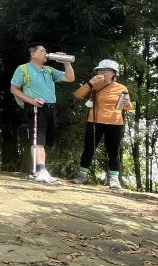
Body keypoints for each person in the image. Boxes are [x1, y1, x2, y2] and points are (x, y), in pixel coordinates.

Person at [9, 44, 74, 183]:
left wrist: (66, 63)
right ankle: (40, 170)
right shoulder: (23, 69)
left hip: (50, 108)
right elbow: (14, 89)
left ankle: (42, 170)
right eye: (43, 51)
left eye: (46, 51)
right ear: (33, 54)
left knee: (43, 141)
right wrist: (31, 100)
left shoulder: (49, 70)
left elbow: (70, 78)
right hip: (35, 107)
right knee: (37, 139)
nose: (46, 53)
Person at [73, 59, 133, 189]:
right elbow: (78, 95)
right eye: (100, 70)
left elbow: (128, 106)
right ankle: (81, 176)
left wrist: (127, 104)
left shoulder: (121, 88)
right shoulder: (94, 85)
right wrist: (91, 82)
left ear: (113, 73)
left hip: (115, 122)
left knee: (113, 151)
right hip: (94, 121)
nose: (102, 72)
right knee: (89, 148)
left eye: (105, 70)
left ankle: (114, 180)